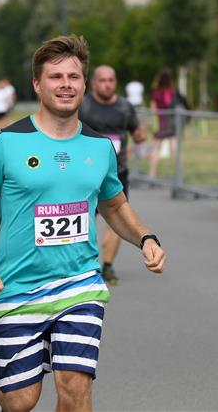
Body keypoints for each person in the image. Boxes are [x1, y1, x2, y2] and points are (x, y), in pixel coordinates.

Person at [0, 35, 166, 412]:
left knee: (74, 388)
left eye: (74, 76)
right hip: (18, 287)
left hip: (80, 285)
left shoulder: (100, 147)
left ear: (84, 84)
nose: (66, 84)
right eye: (55, 77)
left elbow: (115, 205)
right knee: (20, 401)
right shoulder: (7, 142)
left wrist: (146, 238)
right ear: (37, 84)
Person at [79, 65, 147, 285]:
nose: (107, 84)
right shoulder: (83, 106)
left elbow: (136, 133)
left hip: (117, 172)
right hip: (85, 174)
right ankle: (80, 265)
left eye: (111, 80)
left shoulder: (125, 107)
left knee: (116, 218)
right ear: (93, 83)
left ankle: (107, 265)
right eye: (102, 80)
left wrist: (140, 135)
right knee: (83, 219)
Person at [148, 68, 177, 178]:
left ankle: (152, 174)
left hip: (160, 122)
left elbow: (153, 109)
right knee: (174, 148)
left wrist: (154, 123)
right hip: (171, 121)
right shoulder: (172, 92)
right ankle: (178, 174)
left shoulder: (156, 92)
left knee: (156, 149)